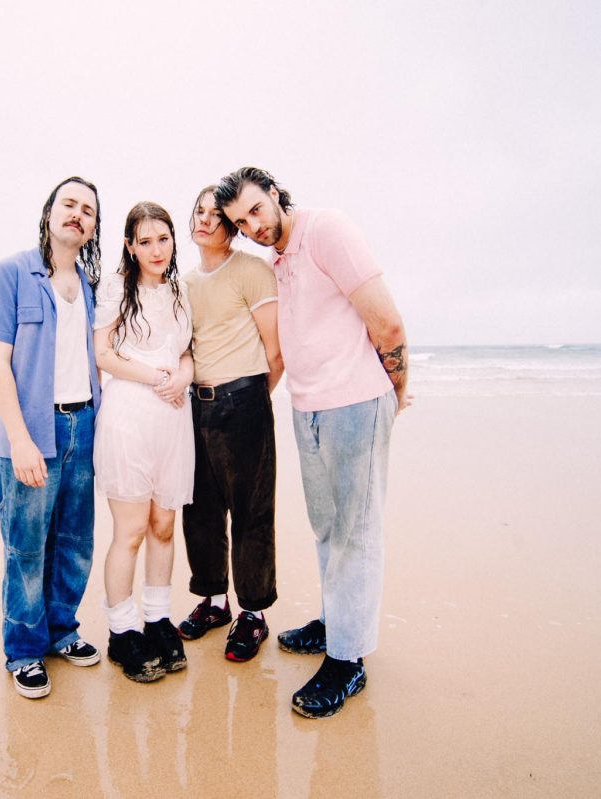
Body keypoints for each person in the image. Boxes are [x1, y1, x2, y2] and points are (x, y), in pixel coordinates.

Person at [215, 167, 409, 719]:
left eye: (255, 210)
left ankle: (348, 662)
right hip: (309, 410)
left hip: (355, 405)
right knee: (327, 527)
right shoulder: (280, 259)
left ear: (274, 194)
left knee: (356, 532)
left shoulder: (328, 230)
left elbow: (387, 324)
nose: (251, 226)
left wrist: (393, 395)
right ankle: (334, 620)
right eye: (239, 222)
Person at [0, 176, 105, 700]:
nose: (78, 214)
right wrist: (21, 438)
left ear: (94, 227)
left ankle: (62, 631)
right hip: (30, 433)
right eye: (69, 204)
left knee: (75, 544)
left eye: (88, 210)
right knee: (26, 549)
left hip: (84, 425)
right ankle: (25, 650)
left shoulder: (91, 287)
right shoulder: (12, 273)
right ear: (50, 212)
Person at [178, 185, 284, 662]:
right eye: (198, 212)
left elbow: (275, 352)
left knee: (251, 513)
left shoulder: (251, 271)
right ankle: (214, 602)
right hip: (193, 407)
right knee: (199, 511)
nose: (204, 221)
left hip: (243, 403)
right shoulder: (184, 281)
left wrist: (250, 402)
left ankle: (253, 614)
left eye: (214, 215)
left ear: (231, 227)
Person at [93, 201, 195, 683]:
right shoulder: (117, 288)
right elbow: (104, 355)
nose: (156, 249)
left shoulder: (180, 291)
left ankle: (158, 621)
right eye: (145, 241)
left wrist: (183, 377)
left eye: (164, 238)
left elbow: (188, 353)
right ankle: (122, 630)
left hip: (173, 419)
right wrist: (156, 376)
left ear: (173, 240)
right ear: (130, 247)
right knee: (130, 530)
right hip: (129, 416)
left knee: (163, 525)